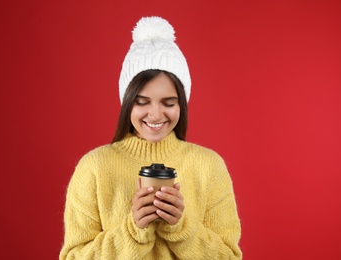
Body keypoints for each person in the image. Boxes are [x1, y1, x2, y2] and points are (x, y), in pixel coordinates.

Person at [59, 16, 242, 259]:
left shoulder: (209, 166)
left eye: (169, 103)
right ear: (126, 103)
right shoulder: (94, 167)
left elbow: (229, 257)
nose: (155, 114)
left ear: (182, 105)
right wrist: (132, 231)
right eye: (142, 102)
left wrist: (182, 228)